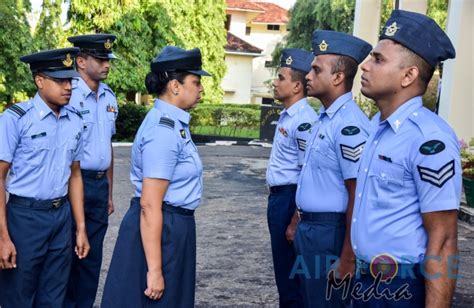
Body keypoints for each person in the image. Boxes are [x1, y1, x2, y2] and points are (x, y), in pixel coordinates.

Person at [351, 10, 460, 307]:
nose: (365, 66)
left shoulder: (428, 140)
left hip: (401, 287)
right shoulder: (377, 127)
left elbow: (444, 239)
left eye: (378, 59)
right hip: (365, 281)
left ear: (408, 75)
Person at [101, 46, 210, 307]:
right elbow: (150, 205)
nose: (201, 89)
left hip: (172, 226)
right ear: (174, 86)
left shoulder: (174, 123)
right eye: (196, 82)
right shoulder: (163, 130)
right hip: (161, 228)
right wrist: (155, 270)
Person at [0, 48, 90, 307]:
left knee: (54, 296)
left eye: (70, 80)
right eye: (60, 80)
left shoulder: (74, 120)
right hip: (25, 218)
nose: (68, 86)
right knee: (18, 295)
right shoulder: (16, 119)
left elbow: (74, 175)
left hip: (60, 218)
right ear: (40, 81)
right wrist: (3, 237)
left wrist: (80, 228)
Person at [293, 30, 371, 307]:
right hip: (311, 229)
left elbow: (357, 193)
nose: (307, 76)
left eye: (316, 70)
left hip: (331, 233)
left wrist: (347, 256)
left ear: (338, 77)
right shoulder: (324, 118)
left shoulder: (350, 126)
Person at [64, 33, 118, 308]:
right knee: (67, 255)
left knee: (92, 257)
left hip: (98, 185)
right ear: (81, 61)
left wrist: (108, 191)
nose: (107, 64)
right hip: (72, 184)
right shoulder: (67, 94)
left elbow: (107, 147)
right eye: (101, 58)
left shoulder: (109, 96)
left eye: (108, 58)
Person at [266, 48, 317, 307]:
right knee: (284, 275)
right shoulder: (289, 115)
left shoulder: (304, 121)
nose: (275, 82)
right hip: (280, 199)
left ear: (297, 85)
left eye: (281, 77)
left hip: (290, 200)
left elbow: (306, 173)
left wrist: (296, 219)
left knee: (291, 280)